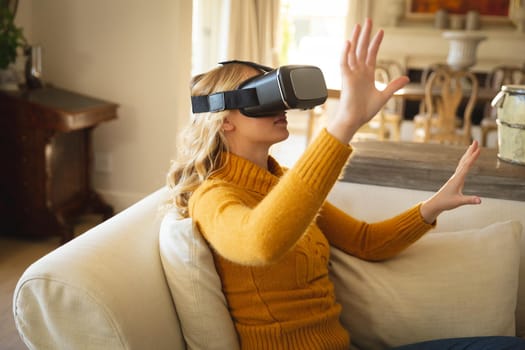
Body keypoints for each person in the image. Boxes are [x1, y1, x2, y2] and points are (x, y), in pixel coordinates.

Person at [166, 18, 525, 350]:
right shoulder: (212, 196)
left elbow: (366, 242)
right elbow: (260, 244)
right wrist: (345, 122)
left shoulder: (282, 182)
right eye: (260, 95)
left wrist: (432, 207)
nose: (282, 106)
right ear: (224, 120)